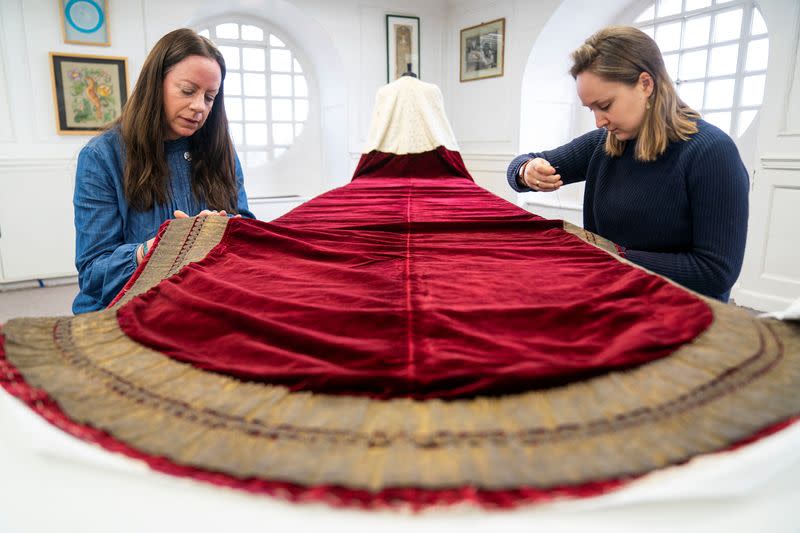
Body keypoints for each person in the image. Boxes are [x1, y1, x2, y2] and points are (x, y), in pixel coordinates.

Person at [507, 26, 749, 302]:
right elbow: (517, 168)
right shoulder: (604, 143)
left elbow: (714, 272)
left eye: (606, 105)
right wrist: (527, 171)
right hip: (616, 294)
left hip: (683, 309)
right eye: (591, 110)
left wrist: (607, 255)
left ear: (646, 84)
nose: (599, 121)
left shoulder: (711, 152)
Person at [72, 28, 254, 314]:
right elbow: (93, 274)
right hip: (126, 308)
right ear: (155, 84)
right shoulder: (101, 156)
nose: (199, 107)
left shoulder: (221, 150)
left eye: (210, 97)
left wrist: (224, 227)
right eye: (187, 91)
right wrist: (155, 248)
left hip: (200, 299)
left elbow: (247, 230)